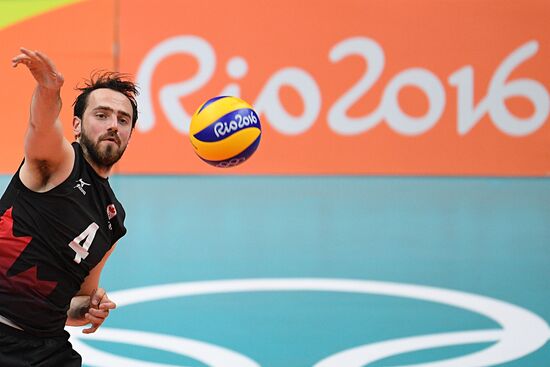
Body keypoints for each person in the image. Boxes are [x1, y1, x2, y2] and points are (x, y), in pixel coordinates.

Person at [0, 48, 138, 366]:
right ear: (76, 125)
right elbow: (41, 125)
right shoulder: (59, 162)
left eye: (123, 119)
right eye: (101, 115)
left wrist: (88, 308)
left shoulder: (114, 221)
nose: (113, 125)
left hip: (43, 350)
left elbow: (72, 304)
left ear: (130, 134)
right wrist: (49, 90)